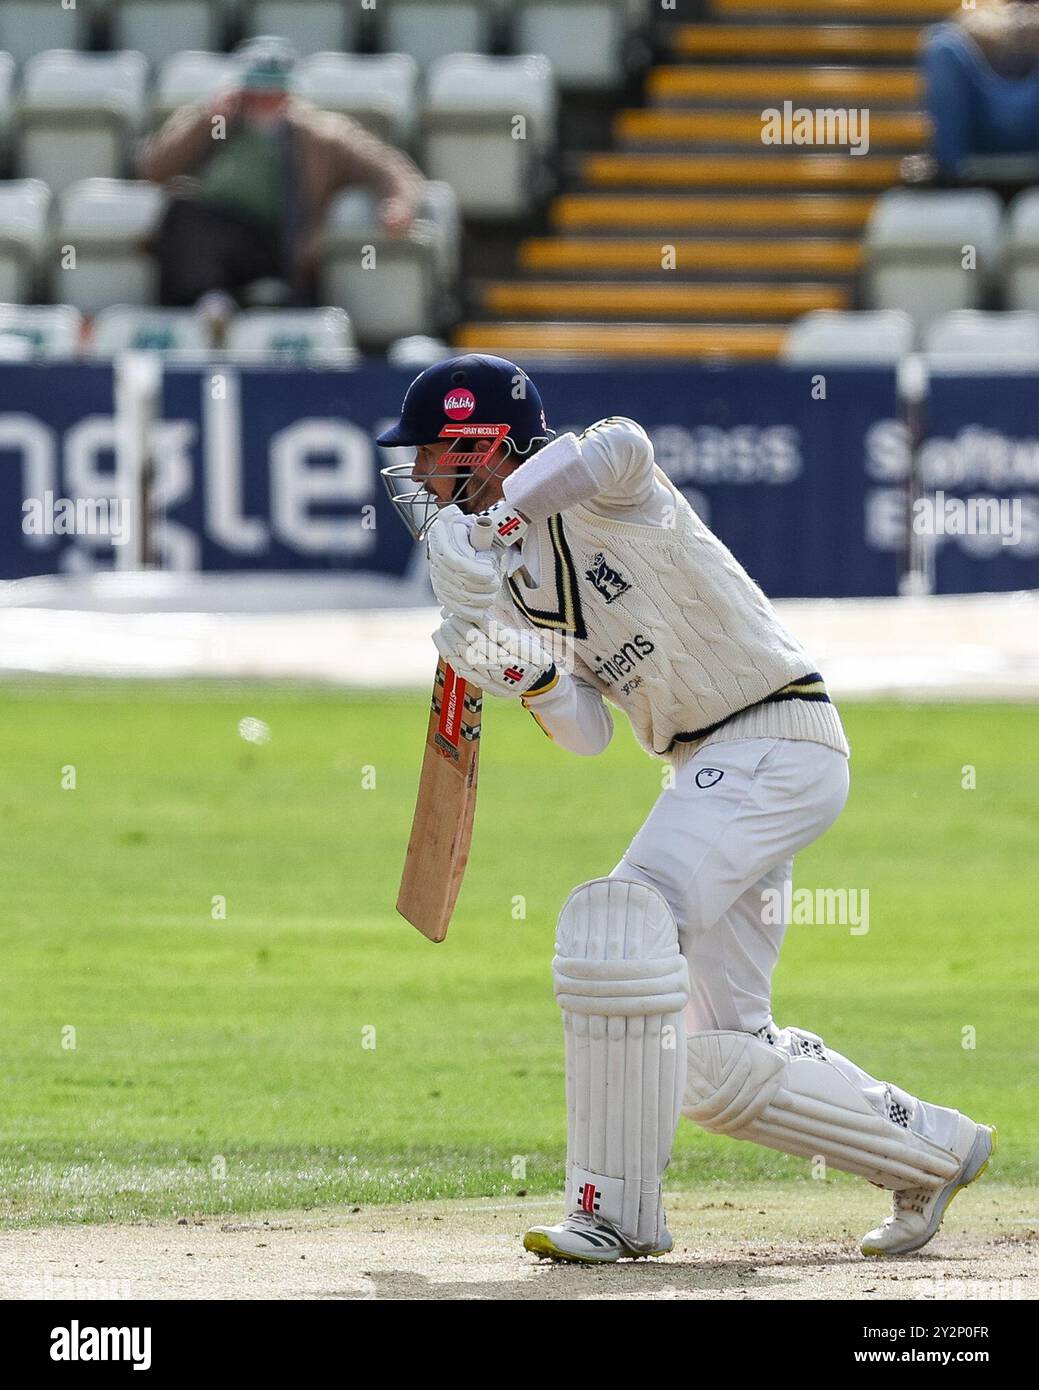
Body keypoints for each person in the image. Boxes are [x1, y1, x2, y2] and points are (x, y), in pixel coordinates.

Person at [377, 354, 995, 1264]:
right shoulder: (511, 577)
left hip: (775, 733)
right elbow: (587, 733)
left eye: (436, 455)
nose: (425, 478)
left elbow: (622, 442)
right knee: (717, 1065)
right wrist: (529, 675)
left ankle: (613, 1211)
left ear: (488, 444)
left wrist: (502, 517)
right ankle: (931, 1148)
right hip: (709, 765)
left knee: (616, 926)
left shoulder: (604, 491)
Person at [138, 36, 425, 306]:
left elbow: (388, 166)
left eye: (272, 94)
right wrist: (207, 120)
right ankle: (208, 305)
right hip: (213, 239)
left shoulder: (322, 135)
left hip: (283, 246)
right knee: (182, 215)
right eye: (255, 93)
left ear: (288, 94)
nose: (263, 101)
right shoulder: (216, 123)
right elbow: (154, 169)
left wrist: (398, 204)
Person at [923, 1, 1039, 180]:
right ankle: (950, 173)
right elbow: (964, 25)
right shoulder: (980, 8)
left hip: (1032, 113)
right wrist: (1005, 32)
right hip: (981, 109)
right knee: (942, 46)